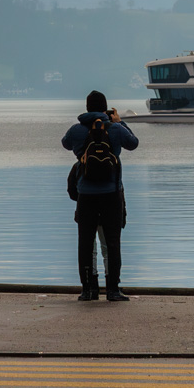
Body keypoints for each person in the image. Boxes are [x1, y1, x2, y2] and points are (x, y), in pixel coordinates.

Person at [62, 90, 139, 302]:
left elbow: (65, 144)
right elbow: (133, 143)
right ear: (105, 107)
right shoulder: (114, 129)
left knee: (86, 243)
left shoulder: (76, 130)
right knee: (111, 242)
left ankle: (89, 290)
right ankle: (113, 290)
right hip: (112, 194)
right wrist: (120, 122)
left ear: (87, 108)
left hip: (85, 195)